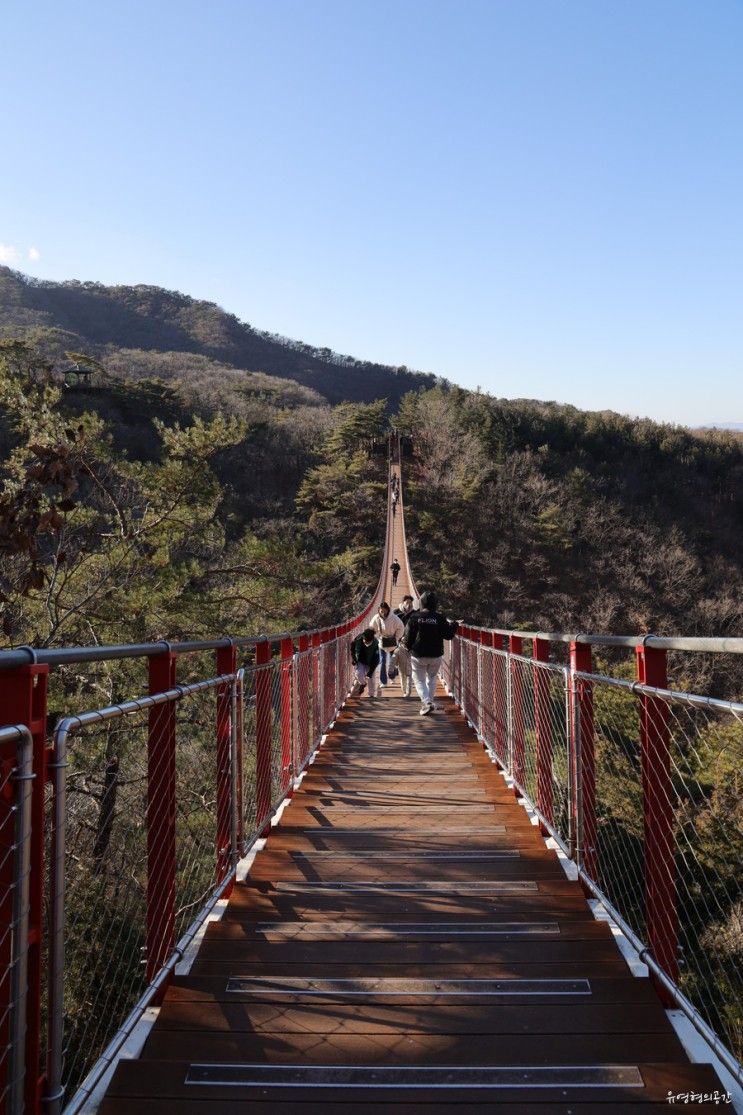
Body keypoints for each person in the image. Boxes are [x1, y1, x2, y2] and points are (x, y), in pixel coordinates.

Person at [400, 589, 459, 715]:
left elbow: (408, 637)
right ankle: (429, 703)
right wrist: (454, 625)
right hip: (435, 655)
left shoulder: (414, 617)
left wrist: (408, 647)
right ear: (435, 604)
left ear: (421, 603)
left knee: (419, 680)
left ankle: (426, 703)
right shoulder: (440, 618)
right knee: (432, 678)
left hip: (418, 655)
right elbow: (448, 635)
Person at [370, 602, 404, 686]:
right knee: (382, 661)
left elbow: (401, 627)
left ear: (388, 610)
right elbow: (371, 628)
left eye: (384, 611)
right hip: (382, 642)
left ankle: (392, 677)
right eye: (381, 611)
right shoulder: (376, 618)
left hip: (393, 642)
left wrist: (396, 638)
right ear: (379, 610)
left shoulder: (394, 618)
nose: (383, 613)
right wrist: (378, 636)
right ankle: (383, 681)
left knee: (393, 662)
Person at [393, 595, 416, 697]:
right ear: (402, 603)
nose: (409, 604)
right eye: (407, 602)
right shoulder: (396, 613)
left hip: (411, 644)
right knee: (402, 669)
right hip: (399, 643)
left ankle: (408, 691)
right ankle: (404, 688)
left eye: (410, 602)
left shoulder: (415, 614)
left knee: (409, 668)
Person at [351, 628, 381, 698]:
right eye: (365, 641)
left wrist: (370, 671)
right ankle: (363, 684)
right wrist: (354, 659)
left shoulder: (375, 644)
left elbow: (376, 660)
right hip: (361, 660)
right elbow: (352, 648)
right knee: (359, 674)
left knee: (371, 678)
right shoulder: (357, 639)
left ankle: (371, 695)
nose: (366, 643)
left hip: (371, 662)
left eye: (368, 642)